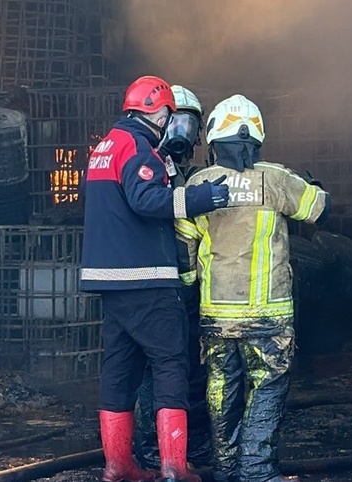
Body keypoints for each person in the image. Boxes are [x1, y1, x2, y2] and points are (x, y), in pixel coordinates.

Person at [80, 75, 229, 482]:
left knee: (118, 372)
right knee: (170, 365)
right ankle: (174, 469)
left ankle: (117, 466)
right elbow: (145, 200)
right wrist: (201, 198)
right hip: (146, 278)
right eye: (170, 117)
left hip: (110, 282)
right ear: (159, 112)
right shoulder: (138, 147)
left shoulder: (104, 147)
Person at [179, 94, 331, 482]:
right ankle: (258, 471)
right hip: (269, 315)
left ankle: (228, 470)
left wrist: (187, 290)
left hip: (216, 315)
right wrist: (312, 183)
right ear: (257, 138)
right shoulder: (276, 179)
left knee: (220, 388)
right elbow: (319, 209)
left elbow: (184, 247)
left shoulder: (198, 184)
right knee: (267, 386)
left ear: (213, 139)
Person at [134, 85, 213, 469]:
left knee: (191, 364)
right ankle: (150, 447)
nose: (180, 131)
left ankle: (188, 441)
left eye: (188, 123)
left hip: (190, 286)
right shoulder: (144, 164)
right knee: (158, 365)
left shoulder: (193, 176)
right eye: (174, 120)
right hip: (157, 283)